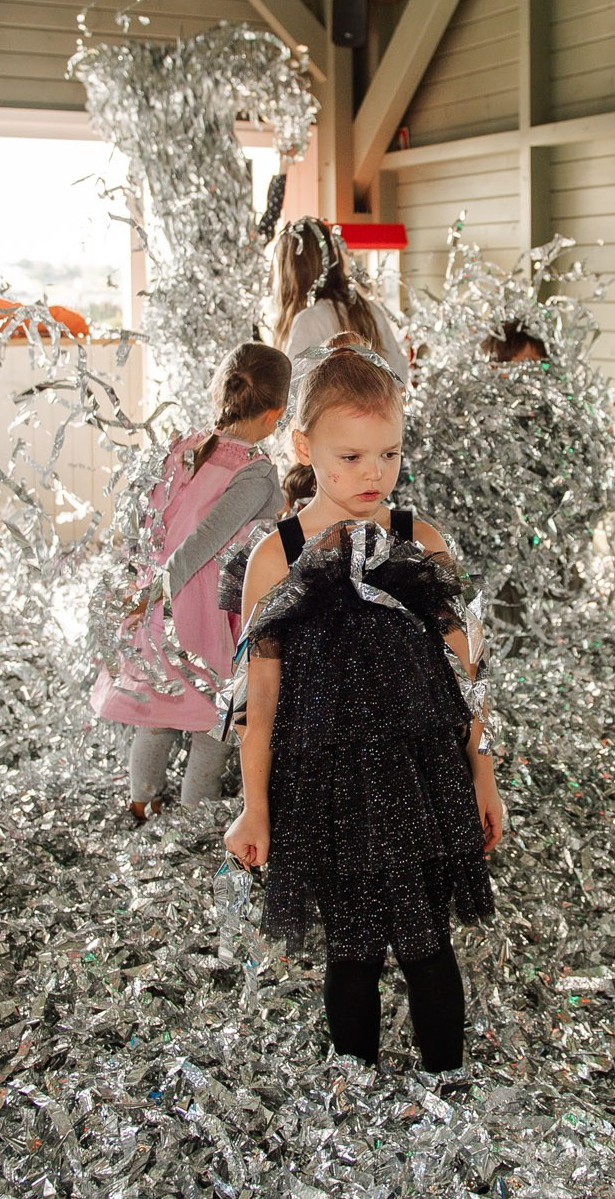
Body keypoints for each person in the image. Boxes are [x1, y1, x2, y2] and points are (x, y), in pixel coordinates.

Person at [223, 340, 505, 1071]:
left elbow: (467, 676)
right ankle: (354, 1097)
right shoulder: (278, 556)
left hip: (421, 781)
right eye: (350, 457)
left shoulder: (420, 541)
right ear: (304, 443)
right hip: (329, 792)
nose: (373, 474)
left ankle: (449, 1086)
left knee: (428, 946)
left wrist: (484, 773)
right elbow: (259, 696)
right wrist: (255, 806)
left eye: (388, 453)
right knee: (351, 952)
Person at [90, 342, 292, 819]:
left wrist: (141, 586)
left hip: (156, 600)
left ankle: (143, 803)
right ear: (276, 414)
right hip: (200, 607)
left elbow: (146, 520)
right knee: (214, 718)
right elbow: (204, 541)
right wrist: (160, 589)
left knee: (156, 712)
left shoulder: (184, 446)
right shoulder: (256, 472)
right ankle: (192, 816)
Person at [270, 218, 409, 388]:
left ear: (290, 272)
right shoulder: (370, 311)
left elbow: (292, 396)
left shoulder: (309, 321)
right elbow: (400, 377)